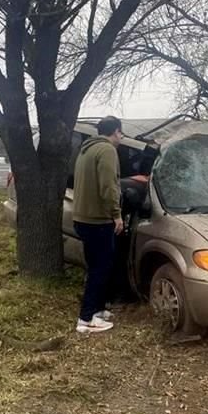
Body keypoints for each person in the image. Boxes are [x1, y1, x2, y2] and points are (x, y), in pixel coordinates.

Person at [71, 116, 124, 334]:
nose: (121, 137)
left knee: (96, 266)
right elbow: (108, 187)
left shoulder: (87, 149)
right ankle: (86, 320)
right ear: (115, 132)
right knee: (100, 269)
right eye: (121, 133)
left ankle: (97, 310)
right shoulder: (107, 150)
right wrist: (117, 215)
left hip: (82, 218)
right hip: (98, 221)